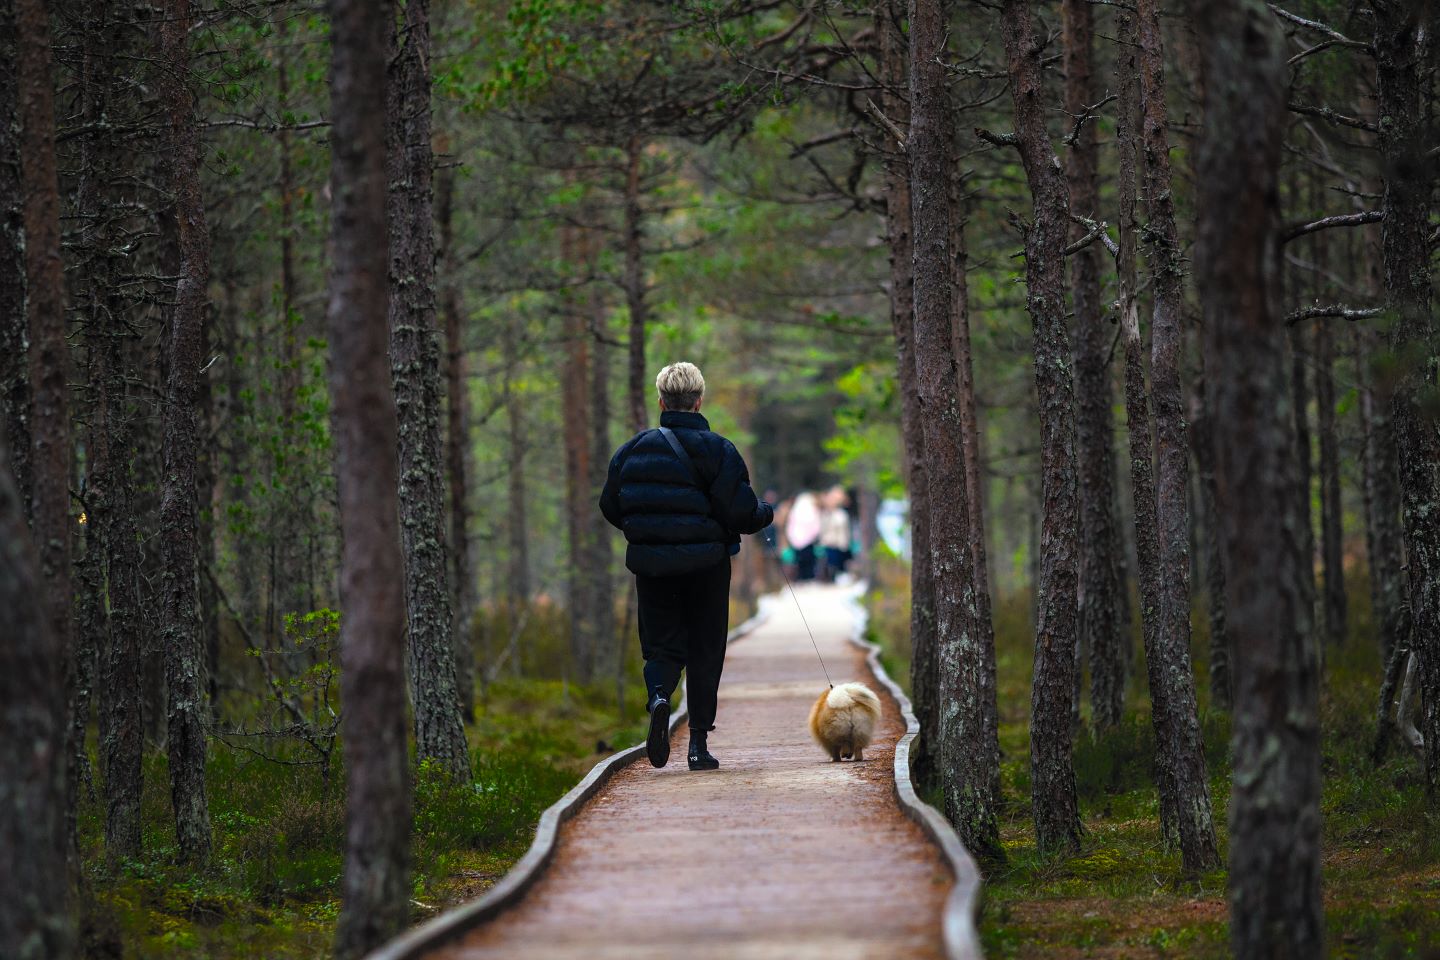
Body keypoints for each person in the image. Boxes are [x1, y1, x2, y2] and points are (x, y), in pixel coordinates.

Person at [599, 362, 774, 771]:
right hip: (706, 568)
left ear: (661, 401)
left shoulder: (632, 450)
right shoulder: (719, 449)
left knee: (661, 645)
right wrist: (765, 513)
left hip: (653, 569)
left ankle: (659, 697)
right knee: (704, 650)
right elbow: (742, 513)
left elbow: (610, 505)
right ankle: (697, 745)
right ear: (699, 401)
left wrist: (646, 531)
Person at [818, 486, 852, 583]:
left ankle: (839, 577)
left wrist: (845, 542)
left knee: (840, 562)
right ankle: (831, 578)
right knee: (831, 562)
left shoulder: (841, 514)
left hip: (840, 543)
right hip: (829, 543)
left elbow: (844, 530)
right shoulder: (826, 514)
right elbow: (823, 529)